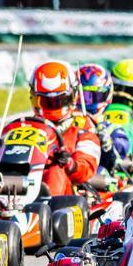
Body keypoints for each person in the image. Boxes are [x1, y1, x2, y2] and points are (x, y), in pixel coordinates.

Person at [29, 61, 102, 196]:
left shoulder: (82, 126)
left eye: (58, 100)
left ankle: (44, 205)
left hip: (67, 195)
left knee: (55, 170)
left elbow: (86, 168)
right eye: (46, 101)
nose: (52, 105)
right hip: (25, 182)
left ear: (72, 96)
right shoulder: (28, 125)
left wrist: (69, 163)